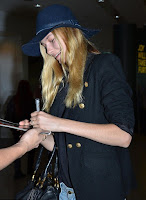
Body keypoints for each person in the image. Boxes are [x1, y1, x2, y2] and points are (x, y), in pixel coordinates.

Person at [20, 4, 136, 200]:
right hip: (66, 191)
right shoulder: (61, 81)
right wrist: (39, 134)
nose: (48, 50)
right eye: (44, 44)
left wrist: (58, 123)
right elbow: (63, 145)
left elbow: (123, 136)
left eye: (51, 39)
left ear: (70, 34)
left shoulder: (104, 65)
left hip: (101, 190)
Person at [5, 80, 36, 177]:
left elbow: (8, 116)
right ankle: (30, 170)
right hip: (29, 128)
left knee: (16, 149)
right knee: (31, 150)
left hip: (16, 129)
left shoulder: (13, 100)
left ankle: (17, 172)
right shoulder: (31, 100)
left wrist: (13, 128)